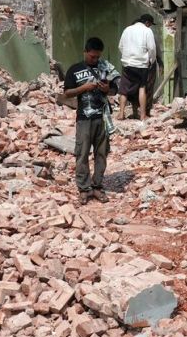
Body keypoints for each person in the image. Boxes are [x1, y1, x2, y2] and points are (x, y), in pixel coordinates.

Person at [62, 37, 119, 203]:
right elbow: (67, 93)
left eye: (97, 57)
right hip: (84, 119)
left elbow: (115, 89)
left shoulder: (105, 68)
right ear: (85, 52)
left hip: (102, 118)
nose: (95, 60)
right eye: (92, 56)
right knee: (82, 153)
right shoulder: (74, 69)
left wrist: (107, 89)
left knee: (101, 154)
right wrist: (84, 88)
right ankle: (84, 188)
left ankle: (97, 186)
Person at [118, 13, 159, 120]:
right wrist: (151, 60)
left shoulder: (127, 29)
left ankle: (121, 114)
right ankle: (143, 115)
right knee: (142, 88)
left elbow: (120, 46)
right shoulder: (147, 31)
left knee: (124, 90)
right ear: (147, 23)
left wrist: (126, 57)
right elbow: (152, 48)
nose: (150, 26)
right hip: (141, 65)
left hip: (127, 64)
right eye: (150, 24)